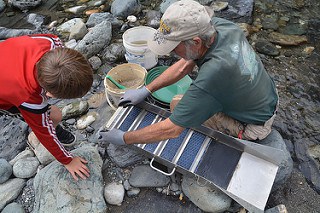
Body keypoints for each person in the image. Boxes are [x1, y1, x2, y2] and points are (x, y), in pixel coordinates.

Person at [99, 0, 279, 146]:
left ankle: (235, 135)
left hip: (254, 125)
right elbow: (186, 64)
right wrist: (147, 89)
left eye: (174, 48)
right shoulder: (219, 27)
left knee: (177, 104)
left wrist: (124, 138)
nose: (171, 53)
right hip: (266, 95)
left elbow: (171, 129)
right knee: (190, 101)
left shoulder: (214, 75)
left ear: (196, 42)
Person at [0, 34, 93, 181]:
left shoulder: (52, 43)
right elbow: (43, 132)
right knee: (54, 116)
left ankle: (53, 126)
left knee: (52, 115)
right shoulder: (29, 98)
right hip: (4, 94)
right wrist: (67, 160)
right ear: (49, 94)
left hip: (6, 56)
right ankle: (45, 133)